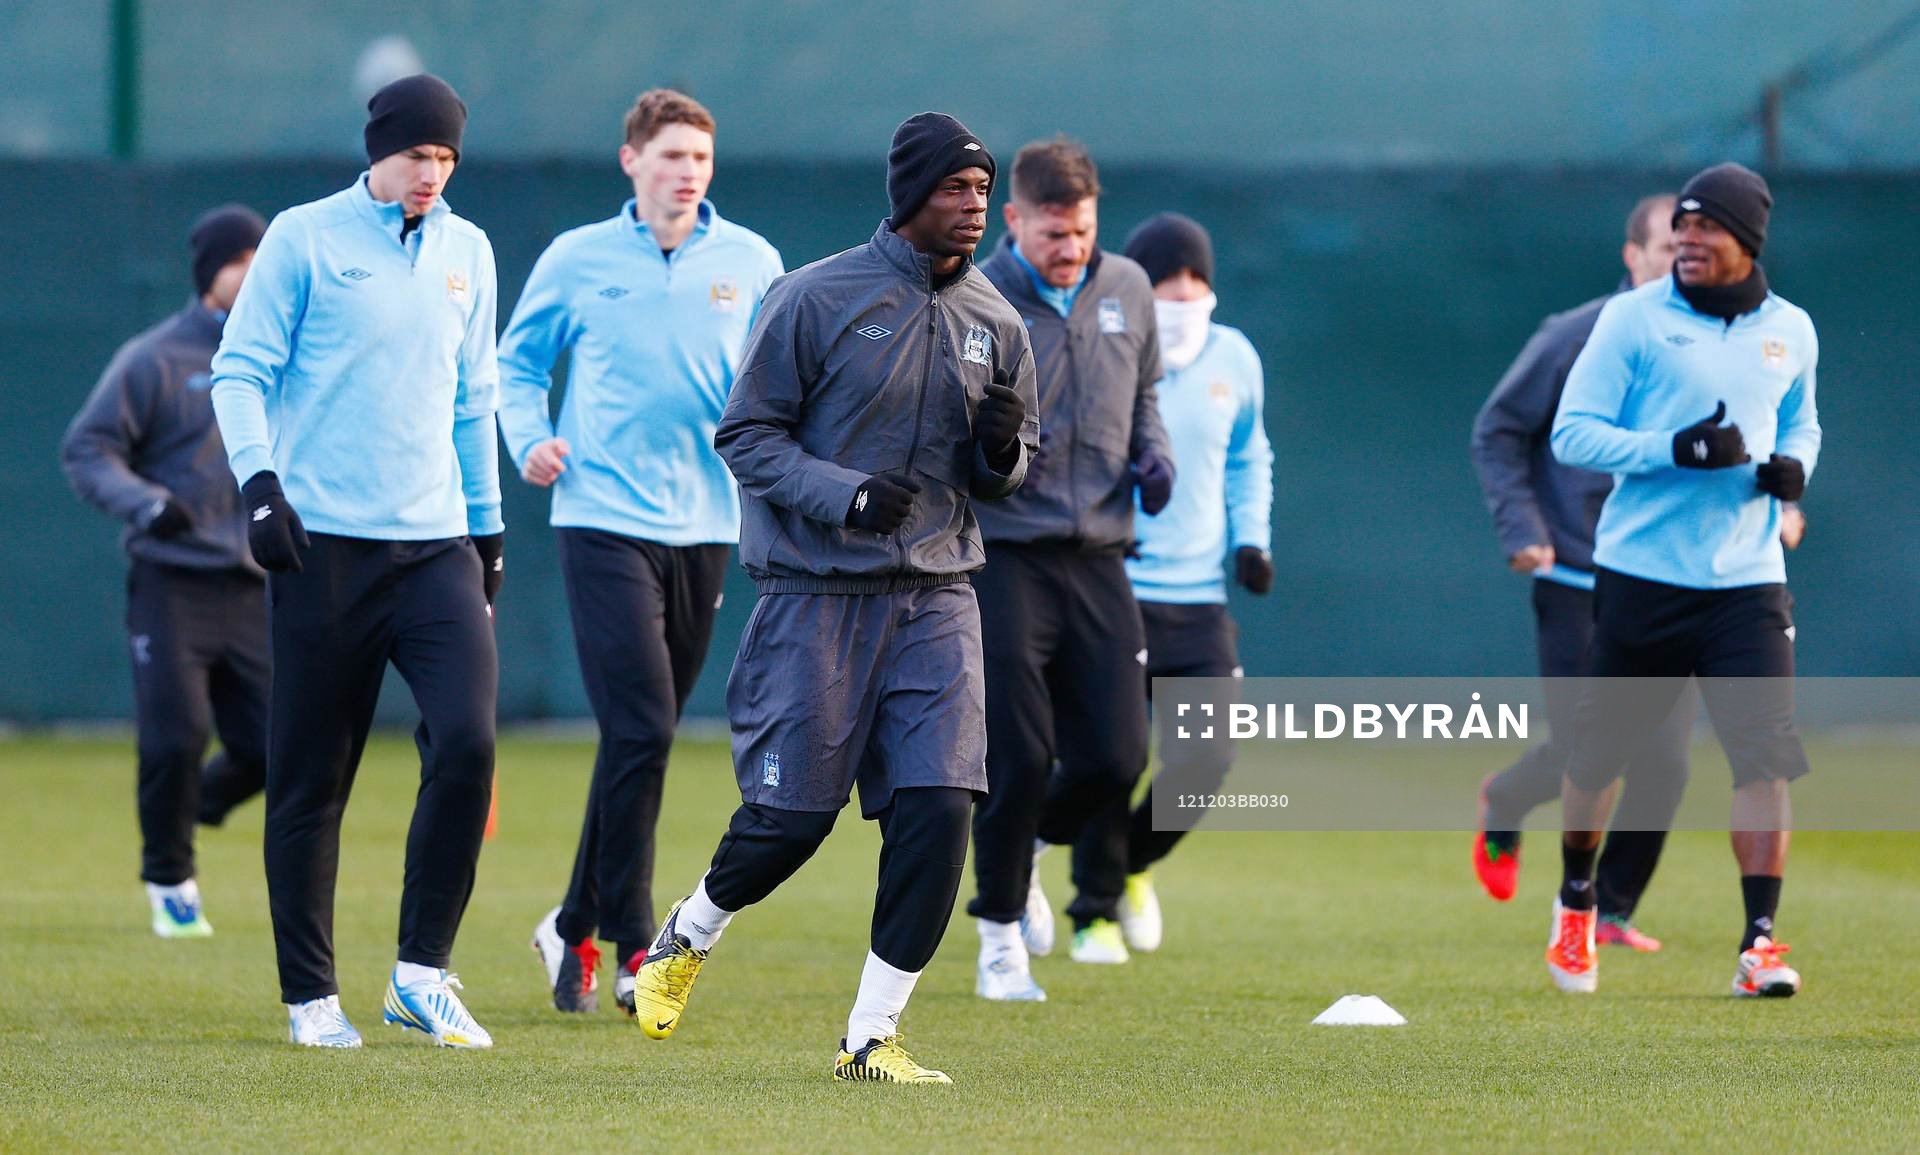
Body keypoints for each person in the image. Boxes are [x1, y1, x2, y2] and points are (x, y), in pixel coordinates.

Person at [625, 112, 1036, 1084]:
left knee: (941, 808)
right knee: (788, 823)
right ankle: (686, 934)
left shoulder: (999, 322)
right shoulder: (812, 297)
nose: (973, 207)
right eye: (954, 188)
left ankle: (870, 1037)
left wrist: (1003, 453)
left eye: (983, 190)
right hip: (817, 597)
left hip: (940, 597)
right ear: (907, 195)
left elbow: (1016, 473)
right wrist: (843, 495)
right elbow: (747, 436)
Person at [210, 74, 505, 1048]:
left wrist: (488, 531)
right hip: (323, 549)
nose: (432, 174)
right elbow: (241, 369)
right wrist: (261, 487)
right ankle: (312, 999)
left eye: (448, 158)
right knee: (311, 780)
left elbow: (474, 400)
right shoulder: (304, 236)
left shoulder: (468, 250)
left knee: (465, 741)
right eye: (418, 155)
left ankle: (421, 973)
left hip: (437, 548)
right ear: (379, 150)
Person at [499, 89, 784, 1016]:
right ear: (632, 162)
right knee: (642, 727)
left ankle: (569, 920)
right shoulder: (578, 258)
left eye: (699, 157)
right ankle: (630, 945)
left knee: (641, 735)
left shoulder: (750, 261)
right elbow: (516, 364)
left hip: (706, 525)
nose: (686, 172)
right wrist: (530, 438)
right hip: (601, 518)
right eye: (669, 156)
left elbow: (776, 383)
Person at [1547, 163, 1818, 999]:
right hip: (1642, 577)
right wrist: (1673, 449)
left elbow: (1803, 417)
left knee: (1763, 759)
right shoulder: (1632, 319)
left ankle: (1761, 943)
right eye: (1681, 230)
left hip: (1748, 582)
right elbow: (1572, 434)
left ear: (1747, 241)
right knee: (1599, 759)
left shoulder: (1792, 330)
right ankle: (1577, 899)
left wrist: (1794, 469)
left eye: (1705, 230)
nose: (1686, 243)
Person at [967, 138, 1173, 996]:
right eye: (1054, 232)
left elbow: (1147, 396)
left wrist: (1153, 454)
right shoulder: (974, 299)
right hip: (1007, 555)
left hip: (1100, 556)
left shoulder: (1128, 288)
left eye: (1082, 230)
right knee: (1017, 755)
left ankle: (1033, 847)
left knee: (1118, 759)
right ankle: (1000, 930)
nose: (1071, 247)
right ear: (1014, 220)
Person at [1467, 194, 1693, 951]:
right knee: (1584, 747)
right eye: (1667, 246)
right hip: (1576, 575)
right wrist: (1523, 527)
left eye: (1696, 245)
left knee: (1665, 760)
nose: (1682, 258)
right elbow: (1498, 429)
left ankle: (1609, 907)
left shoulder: (1717, 341)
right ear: (1633, 256)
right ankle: (1504, 799)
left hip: (1670, 580)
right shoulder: (1575, 335)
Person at [61, 204, 271, 939]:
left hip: (254, 583)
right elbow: (87, 449)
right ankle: (170, 878)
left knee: (282, 746)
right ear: (209, 271)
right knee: (175, 736)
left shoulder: (287, 354)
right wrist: (149, 504)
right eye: (237, 259)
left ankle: (193, 806)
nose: (250, 272)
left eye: (260, 258)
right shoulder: (153, 357)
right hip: (172, 582)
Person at [1092, 212, 1274, 953]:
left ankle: (1132, 865)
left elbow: (1248, 455)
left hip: (1199, 597)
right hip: (1115, 583)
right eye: (1169, 281)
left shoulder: (1236, 355)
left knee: (1208, 758)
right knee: (1113, 756)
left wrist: (1252, 540)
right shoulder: (1110, 349)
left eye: (1198, 280)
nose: (1185, 293)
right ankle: (1091, 907)